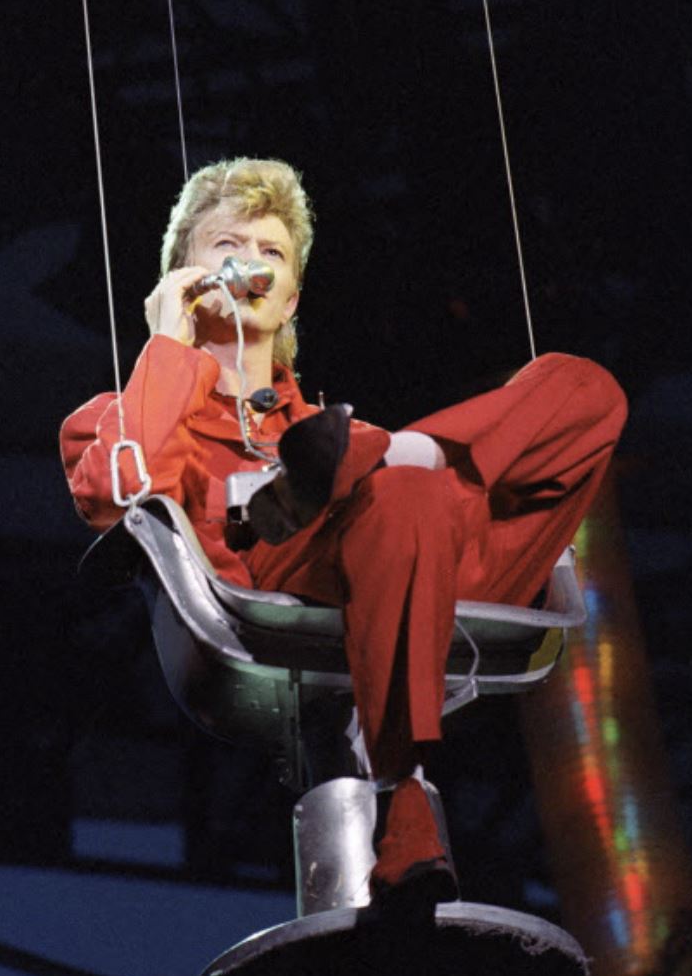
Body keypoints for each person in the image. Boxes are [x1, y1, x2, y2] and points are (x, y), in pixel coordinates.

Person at [61, 157, 626, 908]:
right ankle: (403, 792)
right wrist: (169, 344)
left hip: (422, 548)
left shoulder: (332, 436)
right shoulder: (123, 414)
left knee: (584, 389)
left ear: (291, 297)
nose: (249, 264)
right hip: (281, 578)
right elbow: (117, 493)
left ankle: (394, 457)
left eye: (270, 252)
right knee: (393, 490)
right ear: (182, 280)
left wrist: (384, 458)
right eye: (226, 246)